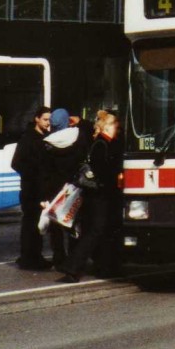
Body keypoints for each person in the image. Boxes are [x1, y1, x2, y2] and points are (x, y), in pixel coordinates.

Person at [58, 110, 124, 283]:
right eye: (115, 125)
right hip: (99, 196)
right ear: (107, 126)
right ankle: (72, 267)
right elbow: (103, 172)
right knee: (95, 231)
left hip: (98, 195)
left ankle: (103, 267)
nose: (118, 128)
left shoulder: (104, 142)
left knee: (99, 231)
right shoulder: (102, 144)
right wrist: (117, 177)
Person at [40, 109, 91, 268]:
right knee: (74, 222)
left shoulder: (47, 143)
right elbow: (90, 130)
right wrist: (80, 121)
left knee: (56, 226)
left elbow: (45, 171)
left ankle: (59, 256)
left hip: (55, 188)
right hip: (74, 187)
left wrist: (45, 195)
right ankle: (74, 257)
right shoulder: (79, 136)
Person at [11, 105, 52, 270]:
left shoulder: (46, 137)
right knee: (31, 224)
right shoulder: (28, 138)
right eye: (45, 119)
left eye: (49, 120)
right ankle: (30, 258)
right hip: (31, 189)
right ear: (37, 118)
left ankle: (32, 256)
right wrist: (33, 174)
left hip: (39, 189)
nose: (47, 123)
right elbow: (16, 163)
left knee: (35, 225)